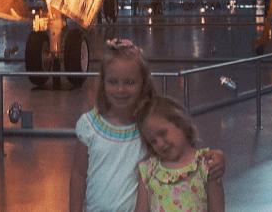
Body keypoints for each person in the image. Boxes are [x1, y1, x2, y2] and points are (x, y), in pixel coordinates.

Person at [70, 39, 225, 212]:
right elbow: (79, 173)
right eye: (113, 82)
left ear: (143, 83)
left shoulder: (148, 129)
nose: (120, 90)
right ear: (103, 82)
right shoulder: (90, 127)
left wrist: (218, 157)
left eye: (129, 82)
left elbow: (180, 154)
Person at [135, 96, 225, 212]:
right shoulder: (148, 171)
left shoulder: (206, 164)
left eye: (163, 133)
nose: (160, 144)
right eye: (153, 141)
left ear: (180, 122)